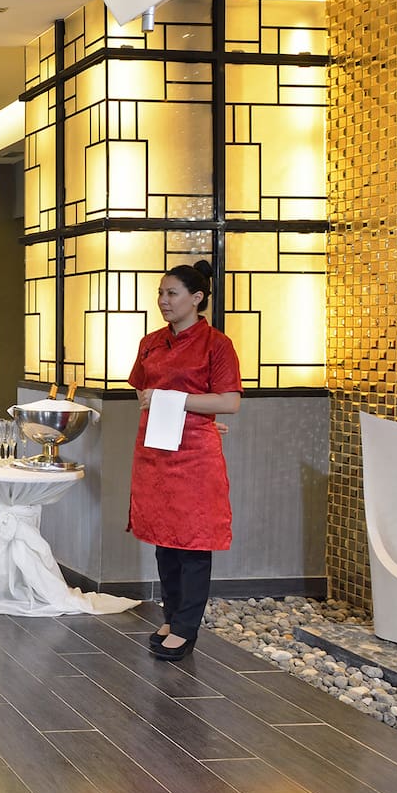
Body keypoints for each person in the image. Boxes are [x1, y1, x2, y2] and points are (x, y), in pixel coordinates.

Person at [126, 261, 241, 661]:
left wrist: (186, 409)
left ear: (197, 298)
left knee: (192, 541)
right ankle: (172, 616)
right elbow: (143, 393)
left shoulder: (217, 345)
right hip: (155, 449)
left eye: (172, 293)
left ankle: (187, 627)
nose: (163, 301)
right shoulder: (152, 342)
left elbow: (229, 402)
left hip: (193, 454)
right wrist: (180, 409)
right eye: (161, 293)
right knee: (164, 540)